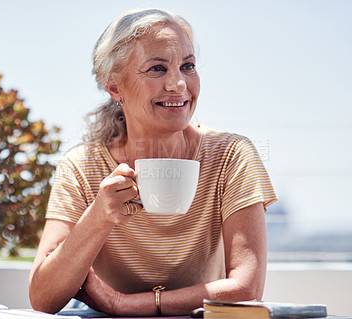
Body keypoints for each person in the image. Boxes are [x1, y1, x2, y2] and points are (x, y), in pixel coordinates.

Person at [29, 8, 278, 316]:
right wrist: (97, 218)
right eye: (158, 69)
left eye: (188, 66)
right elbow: (42, 298)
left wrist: (127, 305)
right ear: (115, 87)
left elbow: (247, 288)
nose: (178, 84)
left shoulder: (231, 155)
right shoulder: (81, 166)